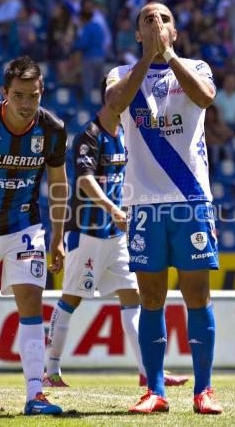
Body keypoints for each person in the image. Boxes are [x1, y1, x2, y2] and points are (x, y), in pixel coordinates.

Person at [105, 2, 223, 415]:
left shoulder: (197, 66)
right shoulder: (121, 74)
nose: (157, 24)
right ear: (137, 33)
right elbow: (115, 105)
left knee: (196, 293)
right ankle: (155, 391)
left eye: (165, 19)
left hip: (190, 198)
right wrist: (147, 59)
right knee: (151, 295)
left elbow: (206, 97)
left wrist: (168, 56)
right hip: (143, 202)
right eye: (148, 20)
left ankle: (203, 391)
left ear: (176, 31)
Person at [44, 78, 189, 389]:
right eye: (125, 95)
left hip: (116, 235)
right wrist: (113, 208)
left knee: (133, 297)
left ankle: (149, 372)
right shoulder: (89, 135)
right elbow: (84, 180)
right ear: (111, 99)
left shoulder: (124, 134)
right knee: (71, 298)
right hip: (87, 233)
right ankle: (50, 370)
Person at [0, 56, 67, 415]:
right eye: (19, 95)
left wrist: (57, 237)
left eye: (34, 96)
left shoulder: (52, 129)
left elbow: (58, 185)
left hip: (24, 227)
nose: (26, 104)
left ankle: (34, 395)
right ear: (4, 93)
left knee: (30, 304)